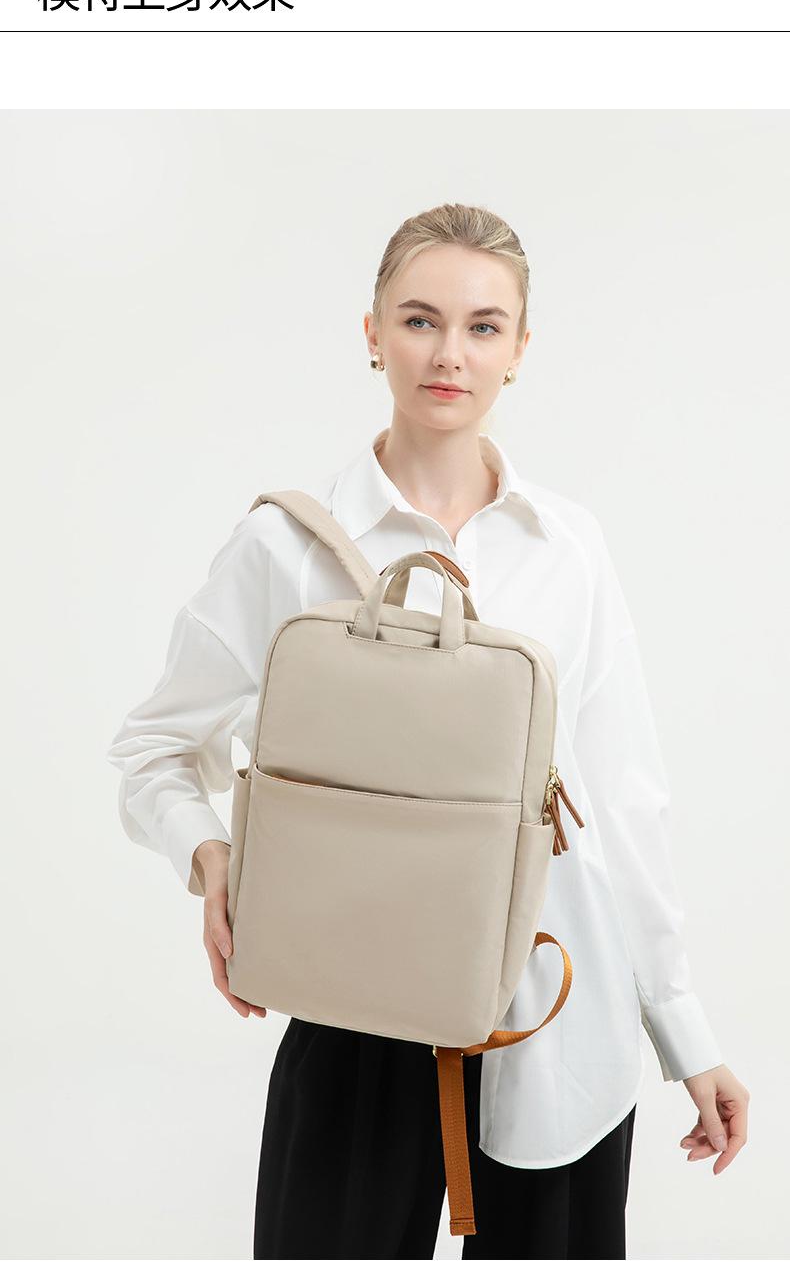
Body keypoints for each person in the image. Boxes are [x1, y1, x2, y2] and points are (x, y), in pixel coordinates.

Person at [107, 202, 750, 1260]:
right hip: (352, 997)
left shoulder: (568, 546)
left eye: (483, 326)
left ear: (520, 349)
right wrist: (210, 857)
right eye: (419, 319)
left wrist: (686, 1033)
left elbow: (625, 800)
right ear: (372, 332)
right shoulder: (284, 545)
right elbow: (152, 747)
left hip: (555, 1006)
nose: (450, 353)